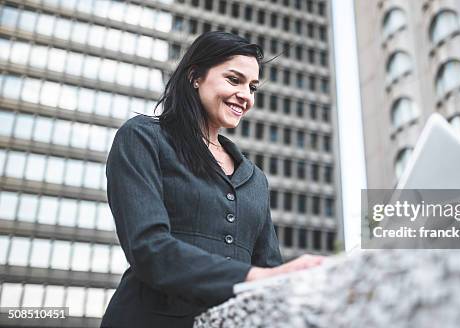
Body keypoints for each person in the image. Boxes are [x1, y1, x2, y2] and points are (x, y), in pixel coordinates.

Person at [101, 31, 325, 328]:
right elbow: (148, 249)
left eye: (253, 87)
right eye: (234, 80)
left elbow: (270, 268)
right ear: (196, 76)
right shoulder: (143, 137)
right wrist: (254, 278)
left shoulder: (255, 179)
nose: (246, 96)